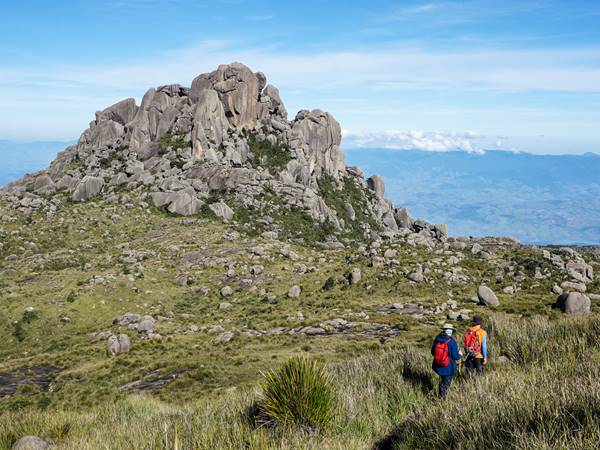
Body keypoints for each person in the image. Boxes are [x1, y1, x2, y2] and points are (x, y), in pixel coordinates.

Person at [431, 323, 462, 399]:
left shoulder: (437, 339)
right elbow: (456, 357)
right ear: (451, 331)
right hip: (448, 367)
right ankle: (442, 399)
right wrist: (460, 354)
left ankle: (440, 395)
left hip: (438, 365)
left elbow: (432, 352)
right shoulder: (451, 342)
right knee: (446, 383)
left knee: (442, 381)